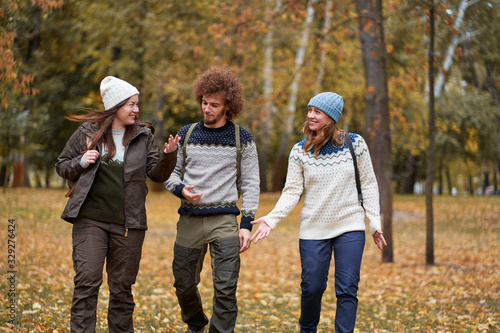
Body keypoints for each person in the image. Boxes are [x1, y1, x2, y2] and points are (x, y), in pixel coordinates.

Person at [251, 92, 387, 333]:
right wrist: (272, 219)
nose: (310, 115)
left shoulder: (355, 144)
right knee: (312, 288)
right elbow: (292, 191)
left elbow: (368, 184)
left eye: (317, 111)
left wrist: (374, 222)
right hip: (313, 229)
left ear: (331, 117)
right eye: (309, 110)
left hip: (350, 226)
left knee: (347, 288)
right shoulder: (299, 151)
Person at [56, 76, 180, 333]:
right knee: (87, 281)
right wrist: (80, 163)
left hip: (129, 224)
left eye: (137, 104)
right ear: (116, 106)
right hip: (90, 220)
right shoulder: (87, 132)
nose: (136, 109)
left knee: (122, 289)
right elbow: (62, 166)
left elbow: (157, 174)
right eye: (131, 104)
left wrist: (169, 156)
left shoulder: (143, 136)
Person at [165, 67, 260, 333]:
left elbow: (251, 184)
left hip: (225, 222)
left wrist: (247, 223)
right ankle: (195, 325)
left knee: (226, 288)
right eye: (204, 103)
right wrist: (181, 189)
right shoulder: (186, 133)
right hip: (190, 219)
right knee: (183, 283)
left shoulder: (243, 139)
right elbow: (169, 174)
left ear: (228, 106)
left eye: (214, 105)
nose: (207, 109)